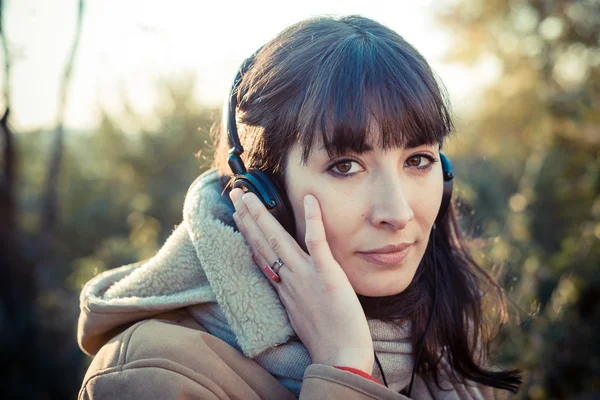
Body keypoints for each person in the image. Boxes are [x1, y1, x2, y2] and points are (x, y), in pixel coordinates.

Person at [77, 15, 522, 399]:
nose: (398, 212)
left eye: (417, 160)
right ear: (267, 197)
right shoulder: (149, 374)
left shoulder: (441, 330)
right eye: (346, 166)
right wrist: (344, 367)